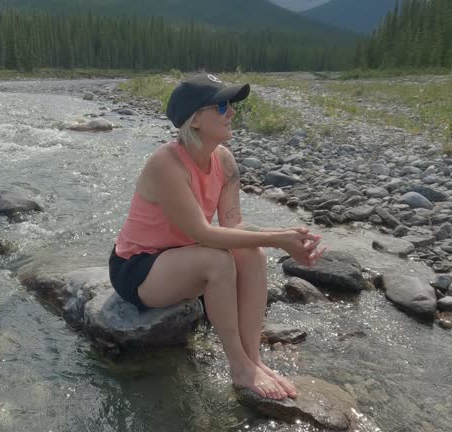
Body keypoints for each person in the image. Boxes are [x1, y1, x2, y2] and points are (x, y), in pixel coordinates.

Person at [109, 73, 326, 400]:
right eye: (222, 105)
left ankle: (253, 359)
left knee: (252, 254)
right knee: (218, 262)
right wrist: (279, 237)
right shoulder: (166, 164)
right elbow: (202, 232)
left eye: (231, 104)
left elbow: (234, 227)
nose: (232, 112)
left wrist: (279, 238)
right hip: (137, 268)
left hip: (183, 257)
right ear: (195, 119)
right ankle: (238, 366)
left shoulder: (224, 160)